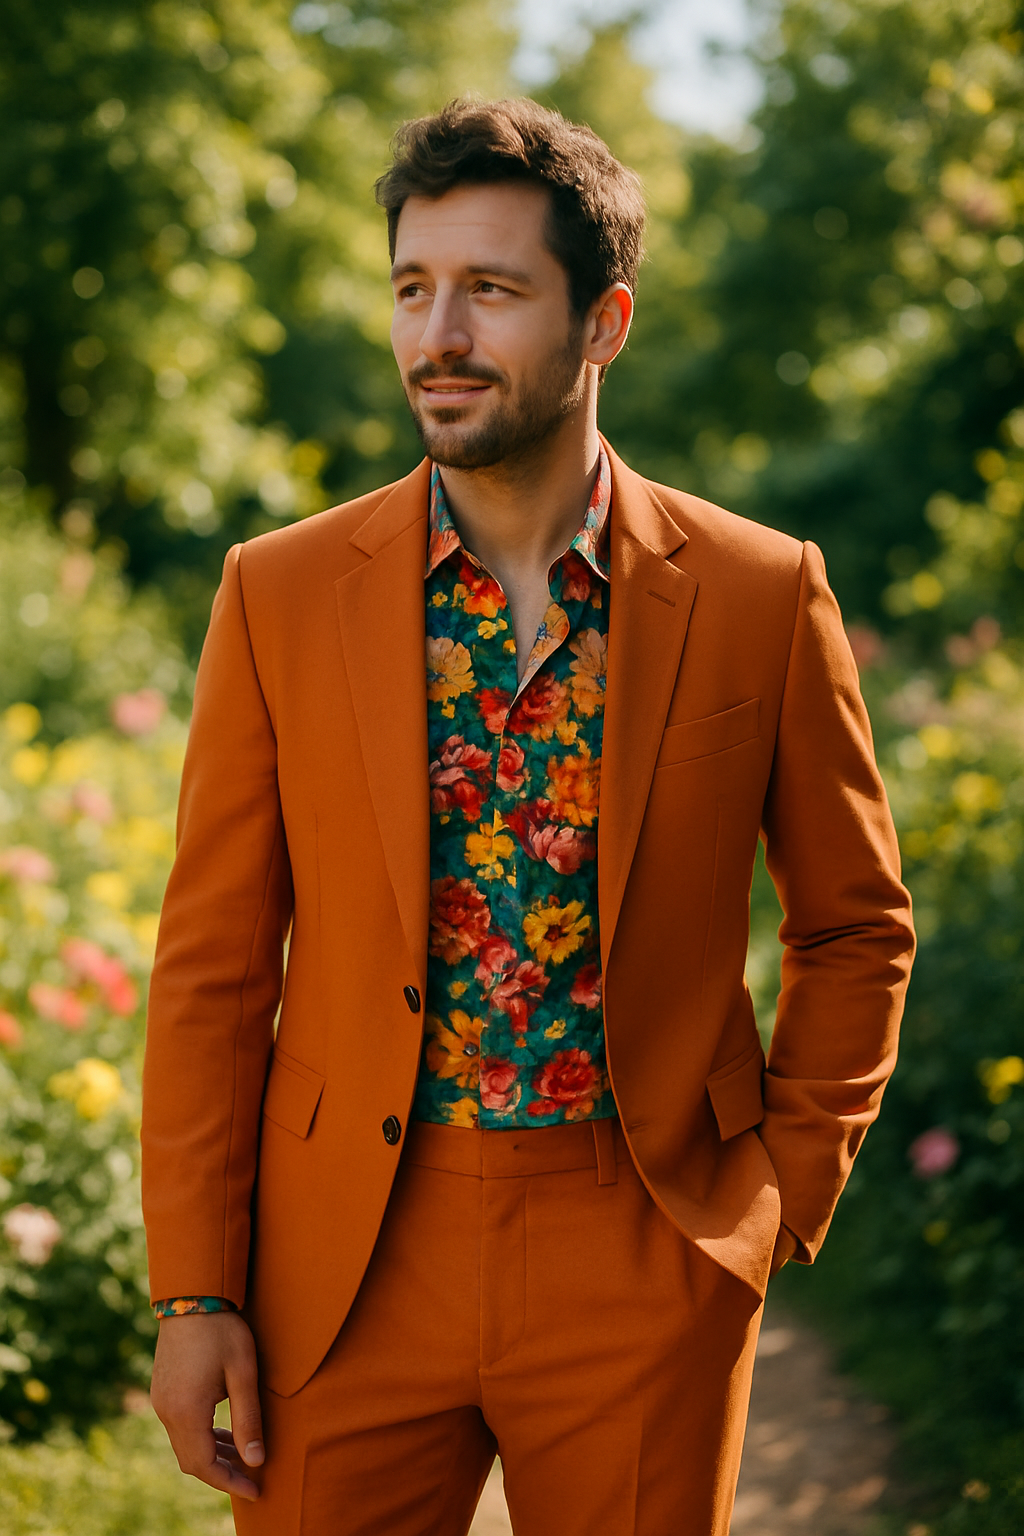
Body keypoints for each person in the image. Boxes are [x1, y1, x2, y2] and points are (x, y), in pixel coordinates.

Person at [141, 98, 915, 1536]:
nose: (440, 334)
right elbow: (214, 967)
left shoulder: (759, 591)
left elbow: (856, 923)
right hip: (345, 1263)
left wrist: (771, 1203)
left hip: (642, 1242)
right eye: (414, 288)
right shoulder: (278, 592)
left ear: (603, 320)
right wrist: (196, 1290)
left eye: (491, 291)